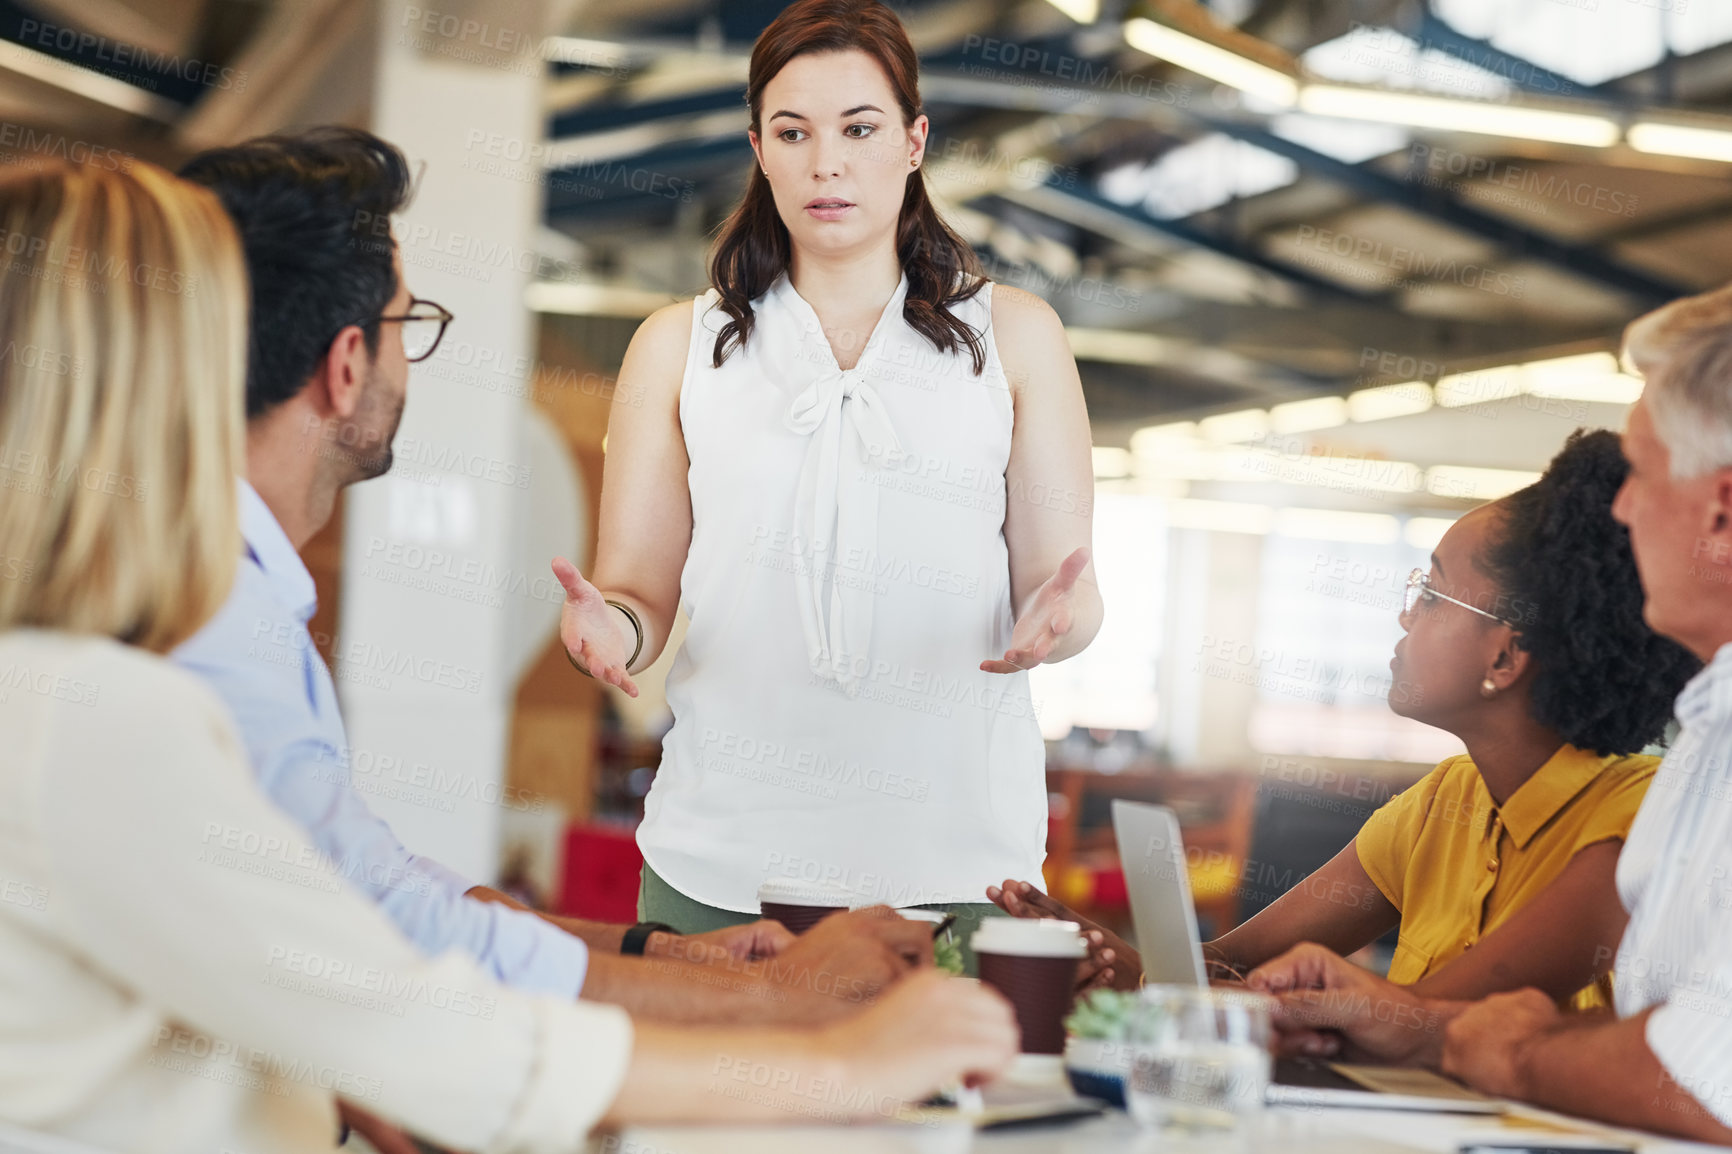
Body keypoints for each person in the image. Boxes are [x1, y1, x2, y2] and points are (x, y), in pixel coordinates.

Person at [0, 158, 1017, 1154]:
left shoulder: (78, 680)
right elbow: (411, 1025)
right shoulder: (99, 706)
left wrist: (672, 964)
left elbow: (363, 929)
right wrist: (841, 1057)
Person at [170, 126, 924, 1027]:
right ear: (343, 367)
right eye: (406, 325)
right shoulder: (215, 635)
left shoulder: (233, 598)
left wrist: (658, 952)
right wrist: (764, 996)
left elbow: (383, 883)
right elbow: (392, 935)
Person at [550, 0, 1103, 956]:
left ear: (914, 140)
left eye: (860, 129)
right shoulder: (676, 347)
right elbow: (638, 593)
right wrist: (612, 630)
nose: (827, 163)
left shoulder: (1016, 337)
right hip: (721, 864)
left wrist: (1060, 623)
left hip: (956, 870)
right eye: (793, 132)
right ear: (759, 148)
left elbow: (1066, 591)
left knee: (946, 1110)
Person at [1247, 284, 1732, 1145]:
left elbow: (1709, 1079)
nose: (1623, 508)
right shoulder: (1707, 741)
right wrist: (1425, 1030)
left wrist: (1509, 1054)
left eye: (1645, 476)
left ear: (1722, 512)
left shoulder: (1646, 797)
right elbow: (1661, 1038)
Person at [989, 430, 1700, 1007]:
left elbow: (1427, 1028)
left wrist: (1278, 1004)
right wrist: (1123, 963)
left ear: (1507, 656)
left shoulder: (1639, 818)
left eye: (1431, 594)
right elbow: (1229, 965)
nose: (1404, 612)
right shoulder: (1445, 803)